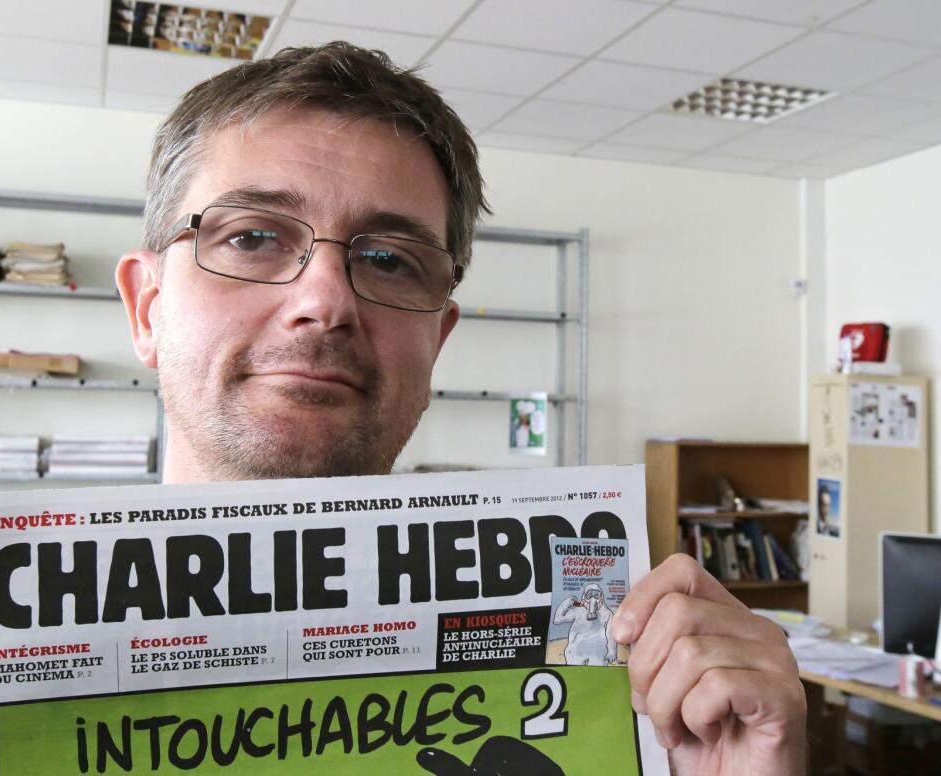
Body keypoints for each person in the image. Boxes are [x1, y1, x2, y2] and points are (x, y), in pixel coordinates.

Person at [116, 41, 805, 776]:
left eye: (388, 259)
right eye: (251, 237)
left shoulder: (620, 679)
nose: (324, 301)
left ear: (436, 338)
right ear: (147, 310)